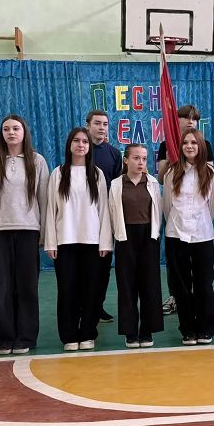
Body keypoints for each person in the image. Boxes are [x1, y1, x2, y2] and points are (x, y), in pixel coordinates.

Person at [0, 115, 49, 355]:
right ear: (2, 134)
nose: (11, 132)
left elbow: (44, 200)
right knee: (3, 287)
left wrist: (45, 235)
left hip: (28, 231)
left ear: (24, 132)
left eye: (16, 128)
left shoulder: (37, 161)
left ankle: (26, 337)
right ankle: (4, 338)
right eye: (6, 129)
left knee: (27, 287)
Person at [44, 127, 113, 351]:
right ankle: (69, 336)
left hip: (92, 242)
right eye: (76, 141)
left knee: (91, 290)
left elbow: (103, 210)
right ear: (69, 145)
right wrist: (51, 242)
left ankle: (88, 333)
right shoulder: (58, 173)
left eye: (85, 141)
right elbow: (51, 210)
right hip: (65, 241)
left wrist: (105, 241)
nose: (81, 145)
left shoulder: (97, 174)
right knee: (67, 290)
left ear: (89, 147)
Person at [163, 128, 214, 345]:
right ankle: (187, 329)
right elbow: (167, 206)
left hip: (203, 235)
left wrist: (200, 224)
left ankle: (205, 328)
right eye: (186, 143)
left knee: (204, 284)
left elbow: (211, 207)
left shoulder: (210, 173)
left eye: (194, 143)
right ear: (180, 147)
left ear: (201, 147)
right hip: (176, 234)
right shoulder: (172, 173)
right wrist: (176, 225)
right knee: (181, 285)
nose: (189, 146)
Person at [157, 104, 214, 316]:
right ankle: (176, 297)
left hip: (199, 220)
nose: (190, 121)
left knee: (202, 275)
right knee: (177, 268)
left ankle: (201, 309)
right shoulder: (167, 144)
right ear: (176, 120)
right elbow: (162, 178)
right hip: (177, 213)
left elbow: (208, 181)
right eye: (186, 117)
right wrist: (170, 159)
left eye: (194, 118)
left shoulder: (205, 144)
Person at [108, 144, 164, 348]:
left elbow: (158, 211)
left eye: (144, 159)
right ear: (126, 160)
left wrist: (155, 235)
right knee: (127, 285)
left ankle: (147, 330)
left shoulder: (152, 183)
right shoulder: (116, 184)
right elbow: (111, 213)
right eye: (136, 158)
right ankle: (130, 331)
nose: (141, 162)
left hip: (148, 238)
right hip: (125, 238)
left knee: (149, 285)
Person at [86, 110, 122, 324]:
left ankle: (97, 307)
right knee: (84, 266)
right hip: (82, 217)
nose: (101, 127)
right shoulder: (80, 150)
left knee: (103, 265)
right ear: (88, 126)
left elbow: (117, 187)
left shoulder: (114, 154)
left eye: (105, 124)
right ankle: (83, 307)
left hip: (106, 217)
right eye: (97, 123)